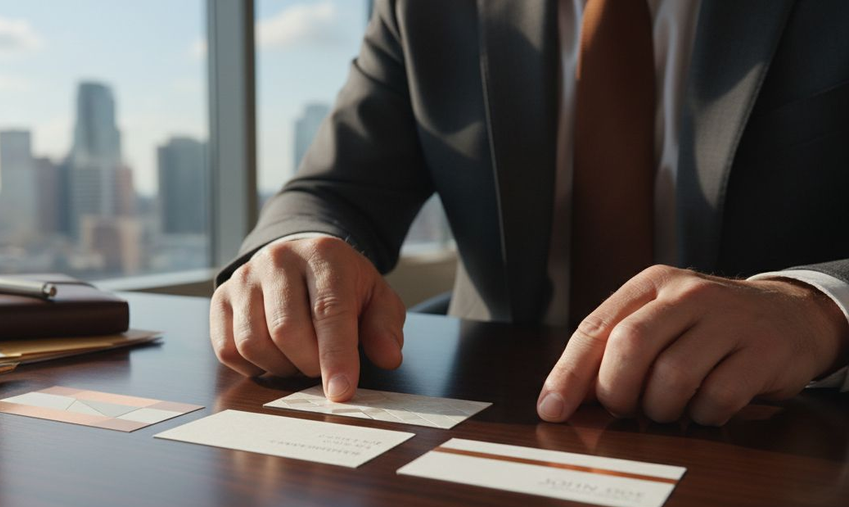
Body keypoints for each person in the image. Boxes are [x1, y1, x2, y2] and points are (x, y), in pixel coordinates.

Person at [210, 0, 849, 427]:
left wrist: (818, 308)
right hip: (498, 417)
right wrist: (296, 248)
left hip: (781, 426)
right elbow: (333, 189)